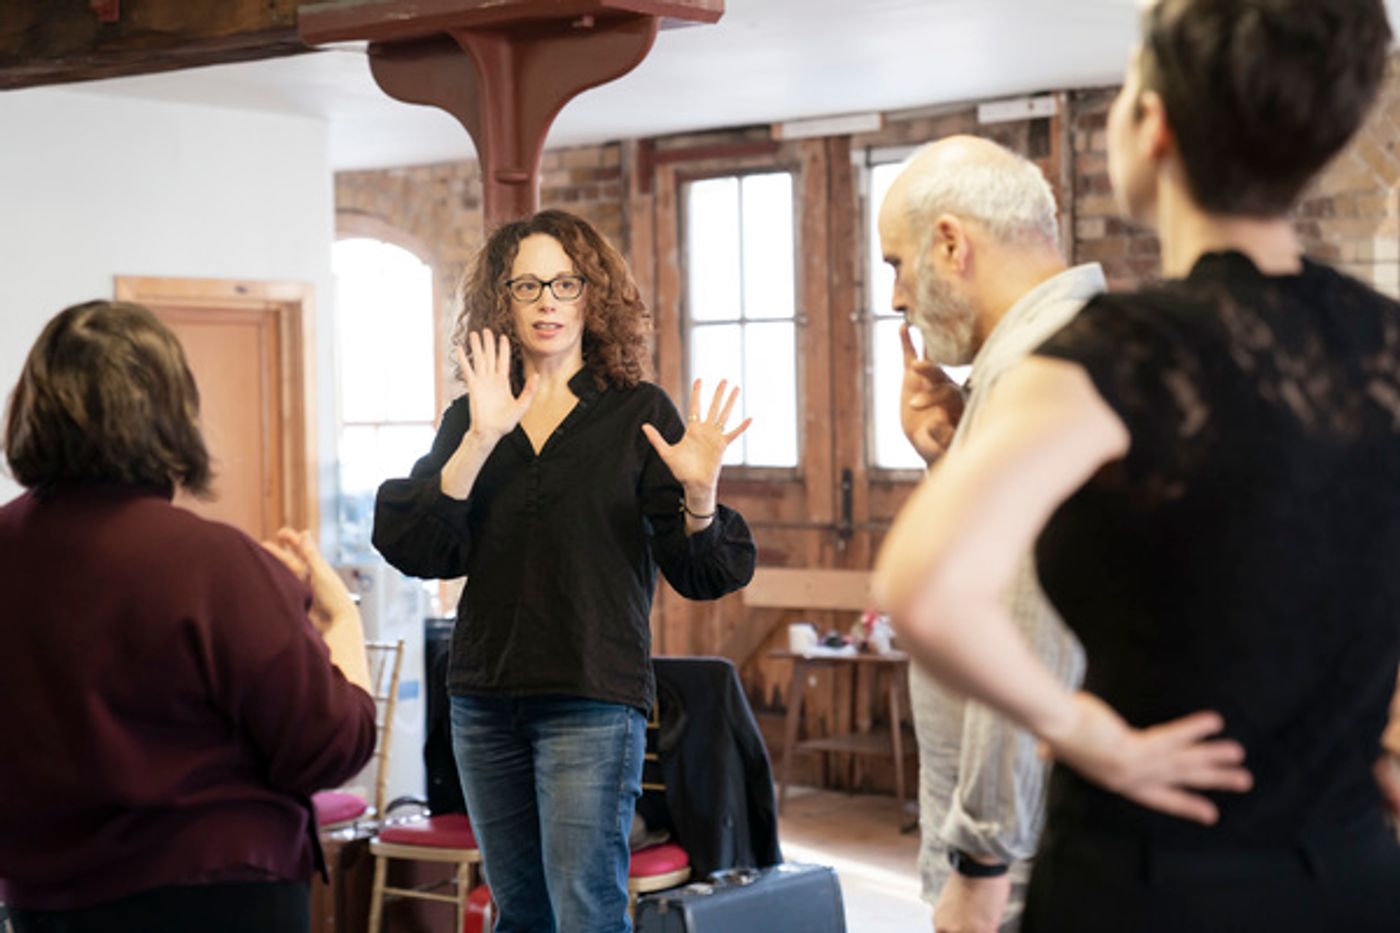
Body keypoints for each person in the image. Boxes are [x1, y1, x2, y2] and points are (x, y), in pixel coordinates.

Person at [874, 1, 1400, 930]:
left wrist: (1090, 737)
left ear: (1149, 126)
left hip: (1154, 879)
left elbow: (928, 588)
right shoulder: (1384, 345)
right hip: (1350, 872)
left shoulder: (1115, 353)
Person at [373, 208, 756, 933]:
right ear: (502, 303)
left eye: (564, 283)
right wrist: (481, 438)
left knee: (585, 911)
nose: (547, 300)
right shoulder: (470, 416)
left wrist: (701, 499)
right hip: (484, 697)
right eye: (527, 286)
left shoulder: (637, 413)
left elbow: (703, 570)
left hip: (590, 696)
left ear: (591, 296)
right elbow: (418, 545)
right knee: (519, 913)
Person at [0, 300, 376, 933]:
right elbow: (327, 746)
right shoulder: (214, 563)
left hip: (43, 905)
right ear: (170, 416)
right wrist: (344, 629)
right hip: (218, 897)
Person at [877, 136, 1103, 933]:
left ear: (950, 243)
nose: (898, 296)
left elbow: (1029, 628)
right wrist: (951, 457)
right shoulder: (1063, 351)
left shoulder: (1038, 367)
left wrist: (982, 860)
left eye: (897, 264)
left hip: (1025, 866)